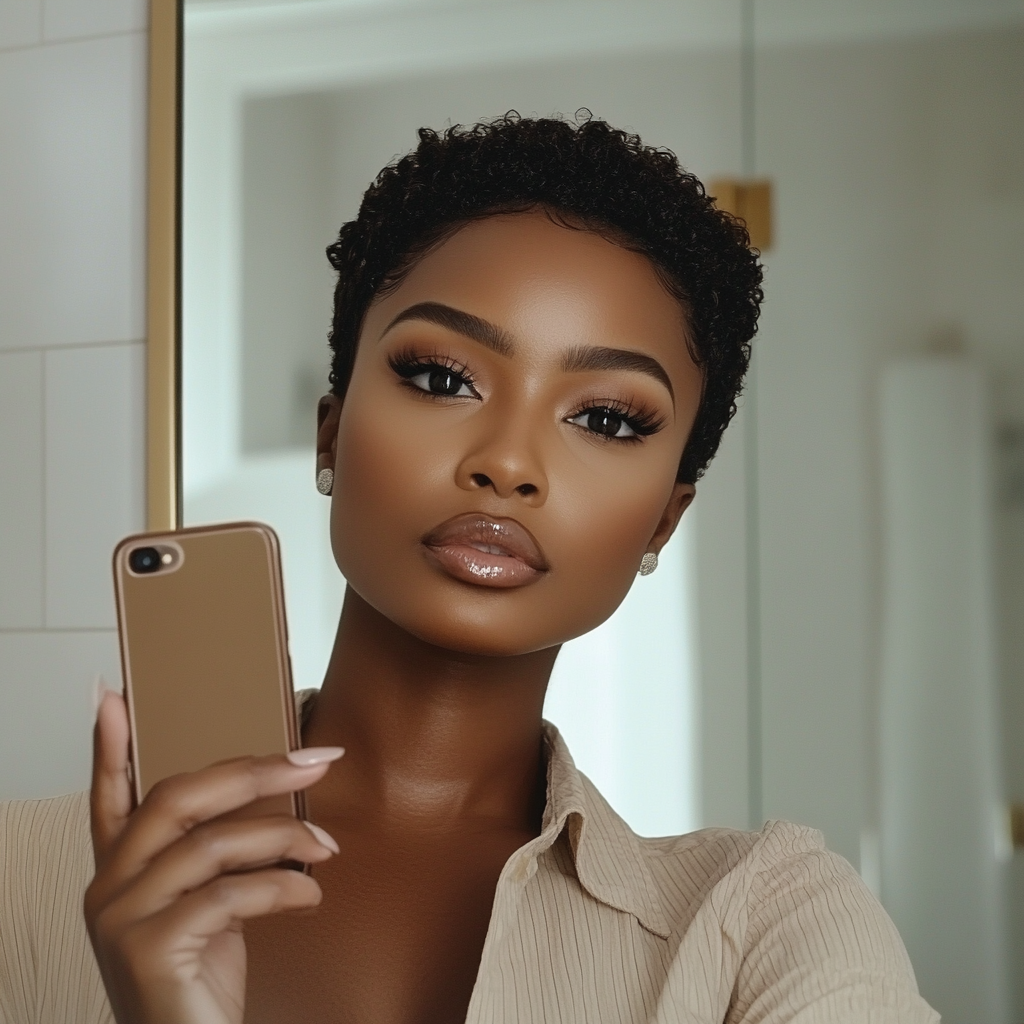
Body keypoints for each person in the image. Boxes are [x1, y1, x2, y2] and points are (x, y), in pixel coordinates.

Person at [0, 114, 937, 1024]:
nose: (509, 462)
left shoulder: (764, 926)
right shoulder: (18, 879)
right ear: (331, 435)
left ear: (663, 519)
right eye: (444, 377)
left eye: (607, 418)